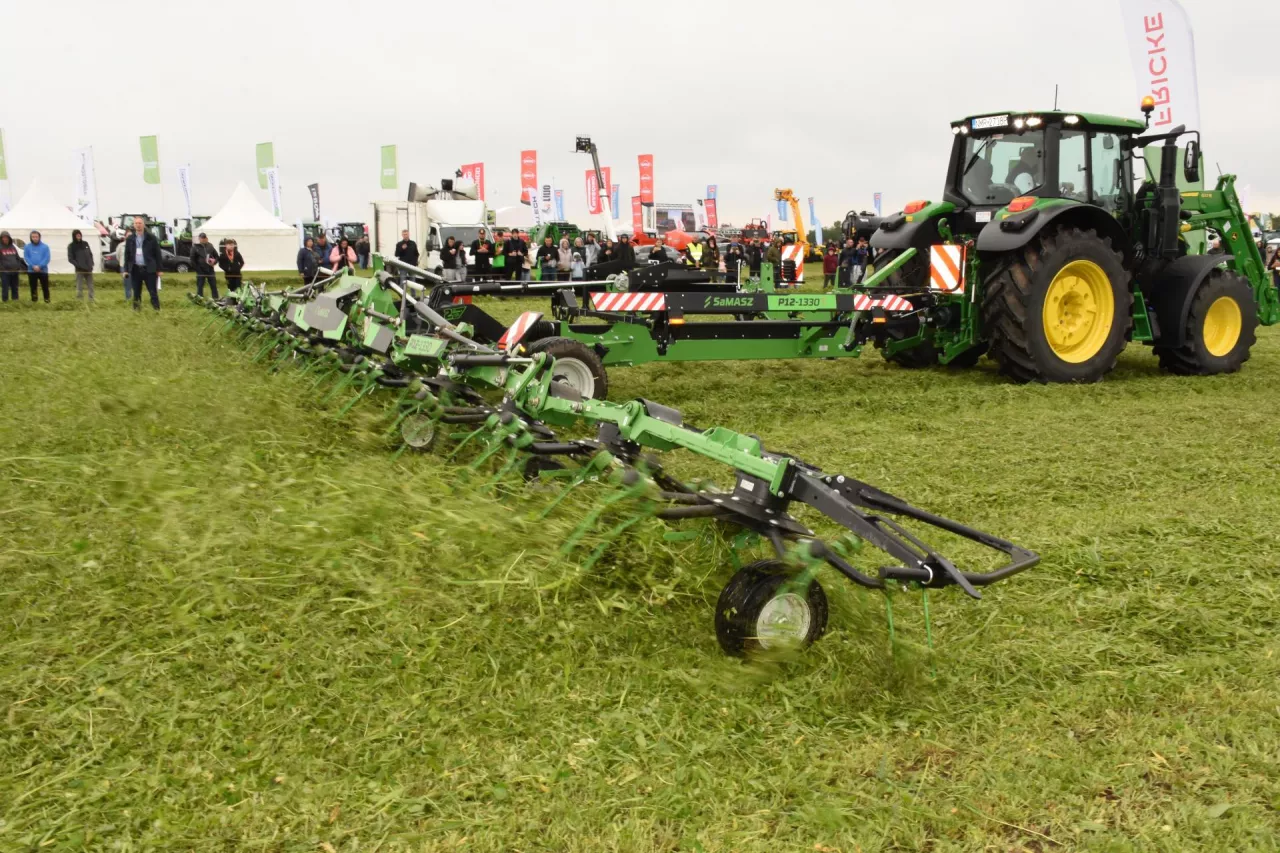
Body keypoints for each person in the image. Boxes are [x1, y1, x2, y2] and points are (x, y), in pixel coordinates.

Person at [122, 216, 162, 310]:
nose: (138, 225)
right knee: (136, 292)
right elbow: (127, 255)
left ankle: (156, 310)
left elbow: (158, 254)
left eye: (140, 223)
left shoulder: (151, 238)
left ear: (143, 225)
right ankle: (136, 311)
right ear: (134, 225)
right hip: (135, 269)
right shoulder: (130, 239)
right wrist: (126, 270)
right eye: (136, 223)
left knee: (153, 292)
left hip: (149, 269)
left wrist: (159, 269)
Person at [68, 229, 95, 302]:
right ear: (74, 236)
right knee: (79, 286)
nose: (79, 236)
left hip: (88, 269)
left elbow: (90, 254)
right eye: (77, 235)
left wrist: (91, 263)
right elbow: (70, 259)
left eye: (80, 235)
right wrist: (78, 265)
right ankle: (79, 300)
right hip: (79, 270)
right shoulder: (71, 246)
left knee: (91, 285)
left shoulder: (85, 244)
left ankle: (91, 299)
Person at [23, 231, 51, 303]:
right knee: (33, 287)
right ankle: (34, 301)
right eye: (33, 237)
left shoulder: (45, 247)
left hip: (43, 270)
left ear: (39, 237)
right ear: (31, 237)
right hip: (31, 270)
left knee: (45, 287)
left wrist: (40, 266)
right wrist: (33, 266)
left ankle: (47, 301)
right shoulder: (27, 247)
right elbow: (26, 257)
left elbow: (47, 258)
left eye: (36, 237)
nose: (35, 238)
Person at [190, 232, 219, 298]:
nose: (203, 239)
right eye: (202, 238)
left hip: (210, 270)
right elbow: (192, 260)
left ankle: (216, 299)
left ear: (206, 238)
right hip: (200, 270)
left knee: (213, 285)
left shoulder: (210, 246)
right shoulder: (195, 247)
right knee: (200, 286)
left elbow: (217, 256)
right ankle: (200, 299)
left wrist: (214, 262)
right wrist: (197, 269)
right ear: (199, 239)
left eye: (204, 238)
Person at [0, 231, 22, 302]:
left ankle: (15, 301)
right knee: (5, 288)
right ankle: (5, 301)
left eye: (7, 237)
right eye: (3, 237)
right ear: (1, 238)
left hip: (15, 271)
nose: (5, 239)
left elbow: (17, 257)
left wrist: (18, 266)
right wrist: (2, 268)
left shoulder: (13, 246)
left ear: (9, 238)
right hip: (5, 272)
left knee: (15, 287)